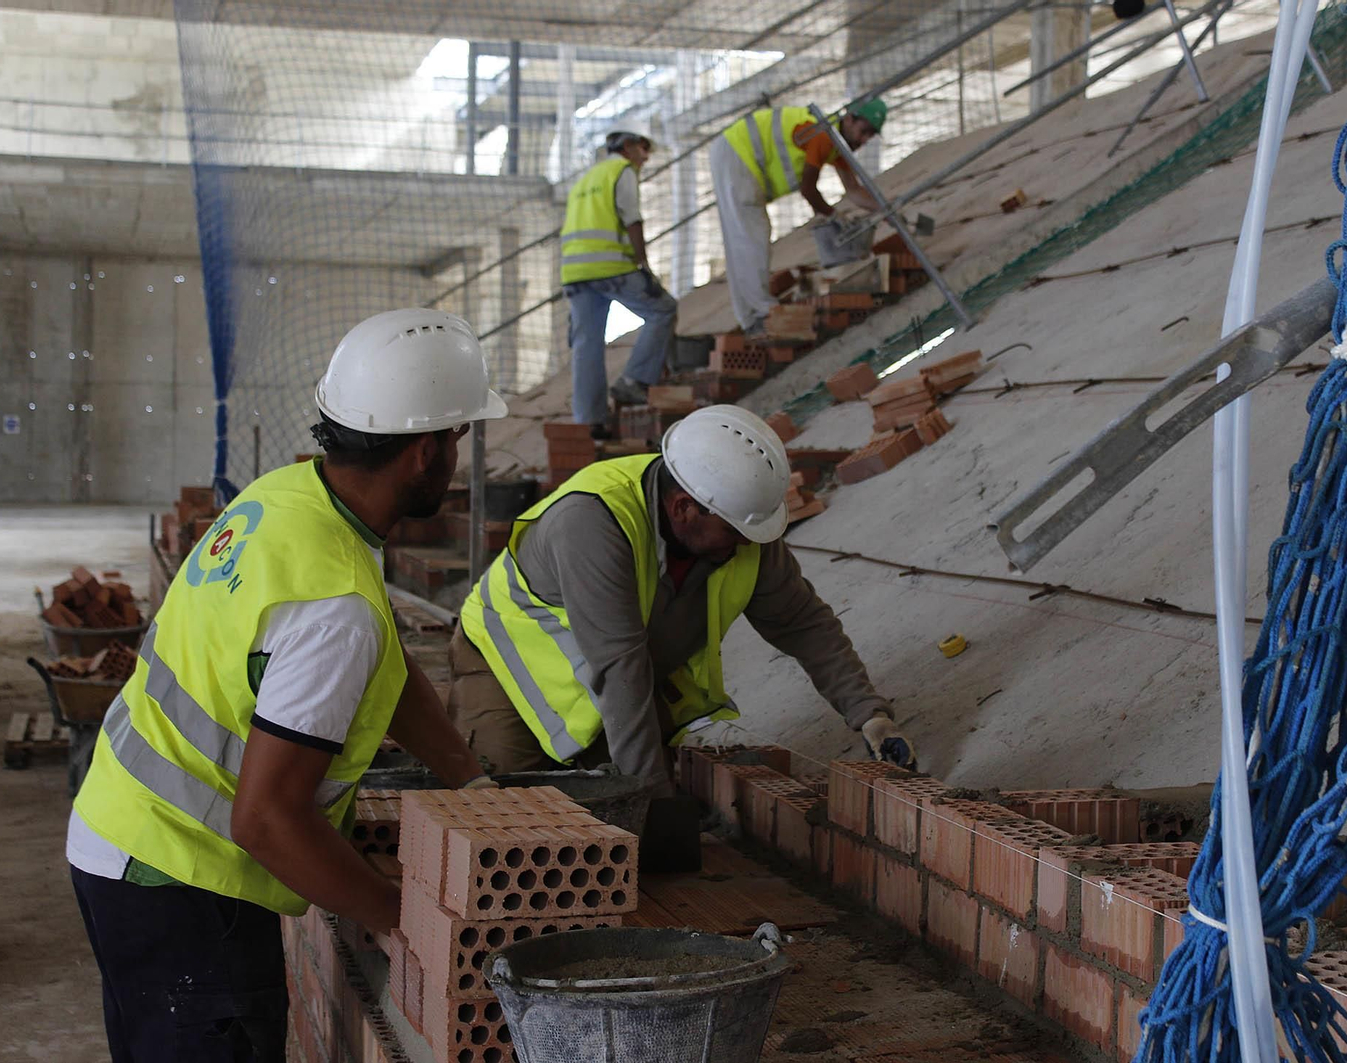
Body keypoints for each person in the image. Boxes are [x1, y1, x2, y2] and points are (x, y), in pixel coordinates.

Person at [65, 308, 507, 1062]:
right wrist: (401, 919)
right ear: (427, 450)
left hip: (117, 834)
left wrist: (472, 781)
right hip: (179, 883)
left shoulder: (291, 499)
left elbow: (387, 673)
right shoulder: (336, 607)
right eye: (459, 439)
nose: (458, 459)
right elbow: (267, 821)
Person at [445, 404, 917, 811]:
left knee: (595, 808)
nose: (747, 545)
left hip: (611, 679)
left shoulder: (741, 528)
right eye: (735, 532)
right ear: (684, 508)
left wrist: (870, 714)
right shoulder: (592, 522)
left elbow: (802, 622)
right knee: (511, 808)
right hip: (507, 667)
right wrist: (653, 802)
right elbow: (620, 669)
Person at [708, 100, 888, 337]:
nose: (864, 140)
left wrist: (885, 209)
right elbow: (808, 190)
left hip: (731, 151)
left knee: (743, 239)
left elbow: (854, 190)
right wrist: (834, 216)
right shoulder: (821, 135)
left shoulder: (834, 144)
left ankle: (750, 318)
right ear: (849, 119)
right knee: (753, 237)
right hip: (738, 154)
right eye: (864, 132)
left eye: (871, 136)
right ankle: (763, 315)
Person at [561, 125, 679, 436]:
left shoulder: (584, 180)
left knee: (586, 345)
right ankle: (634, 380)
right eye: (643, 150)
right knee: (663, 309)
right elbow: (632, 219)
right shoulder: (622, 171)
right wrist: (644, 266)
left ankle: (590, 422)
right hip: (611, 265)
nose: (646, 158)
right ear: (626, 146)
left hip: (575, 272)